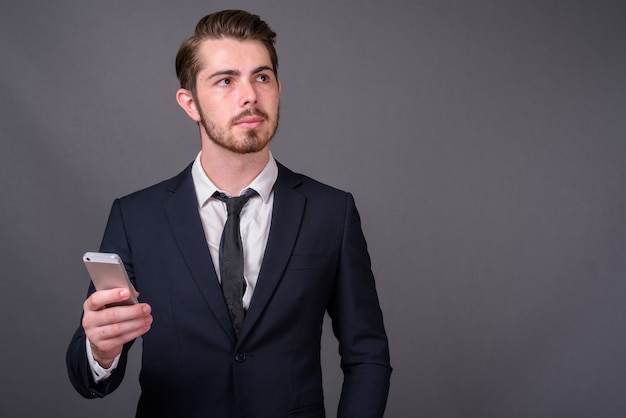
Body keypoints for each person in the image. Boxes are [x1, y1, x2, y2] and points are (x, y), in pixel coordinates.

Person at [66, 9, 391, 418]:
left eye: (261, 77)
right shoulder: (136, 218)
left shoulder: (332, 211)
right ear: (190, 103)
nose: (249, 95)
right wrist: (100, 348)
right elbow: (87, 373)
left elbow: (368, 354)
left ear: (277, 87)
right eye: (225, 80)